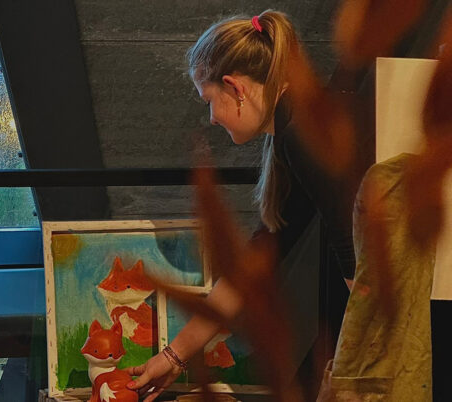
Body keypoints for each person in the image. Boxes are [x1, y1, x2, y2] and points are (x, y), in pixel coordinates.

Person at [125, 9, 361, 401]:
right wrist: (174, 356)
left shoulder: (300, 133)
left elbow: (353, 254)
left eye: (208, 101)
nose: (212, 119)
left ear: (235, 87)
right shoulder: (295, 127)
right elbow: (255, 261)